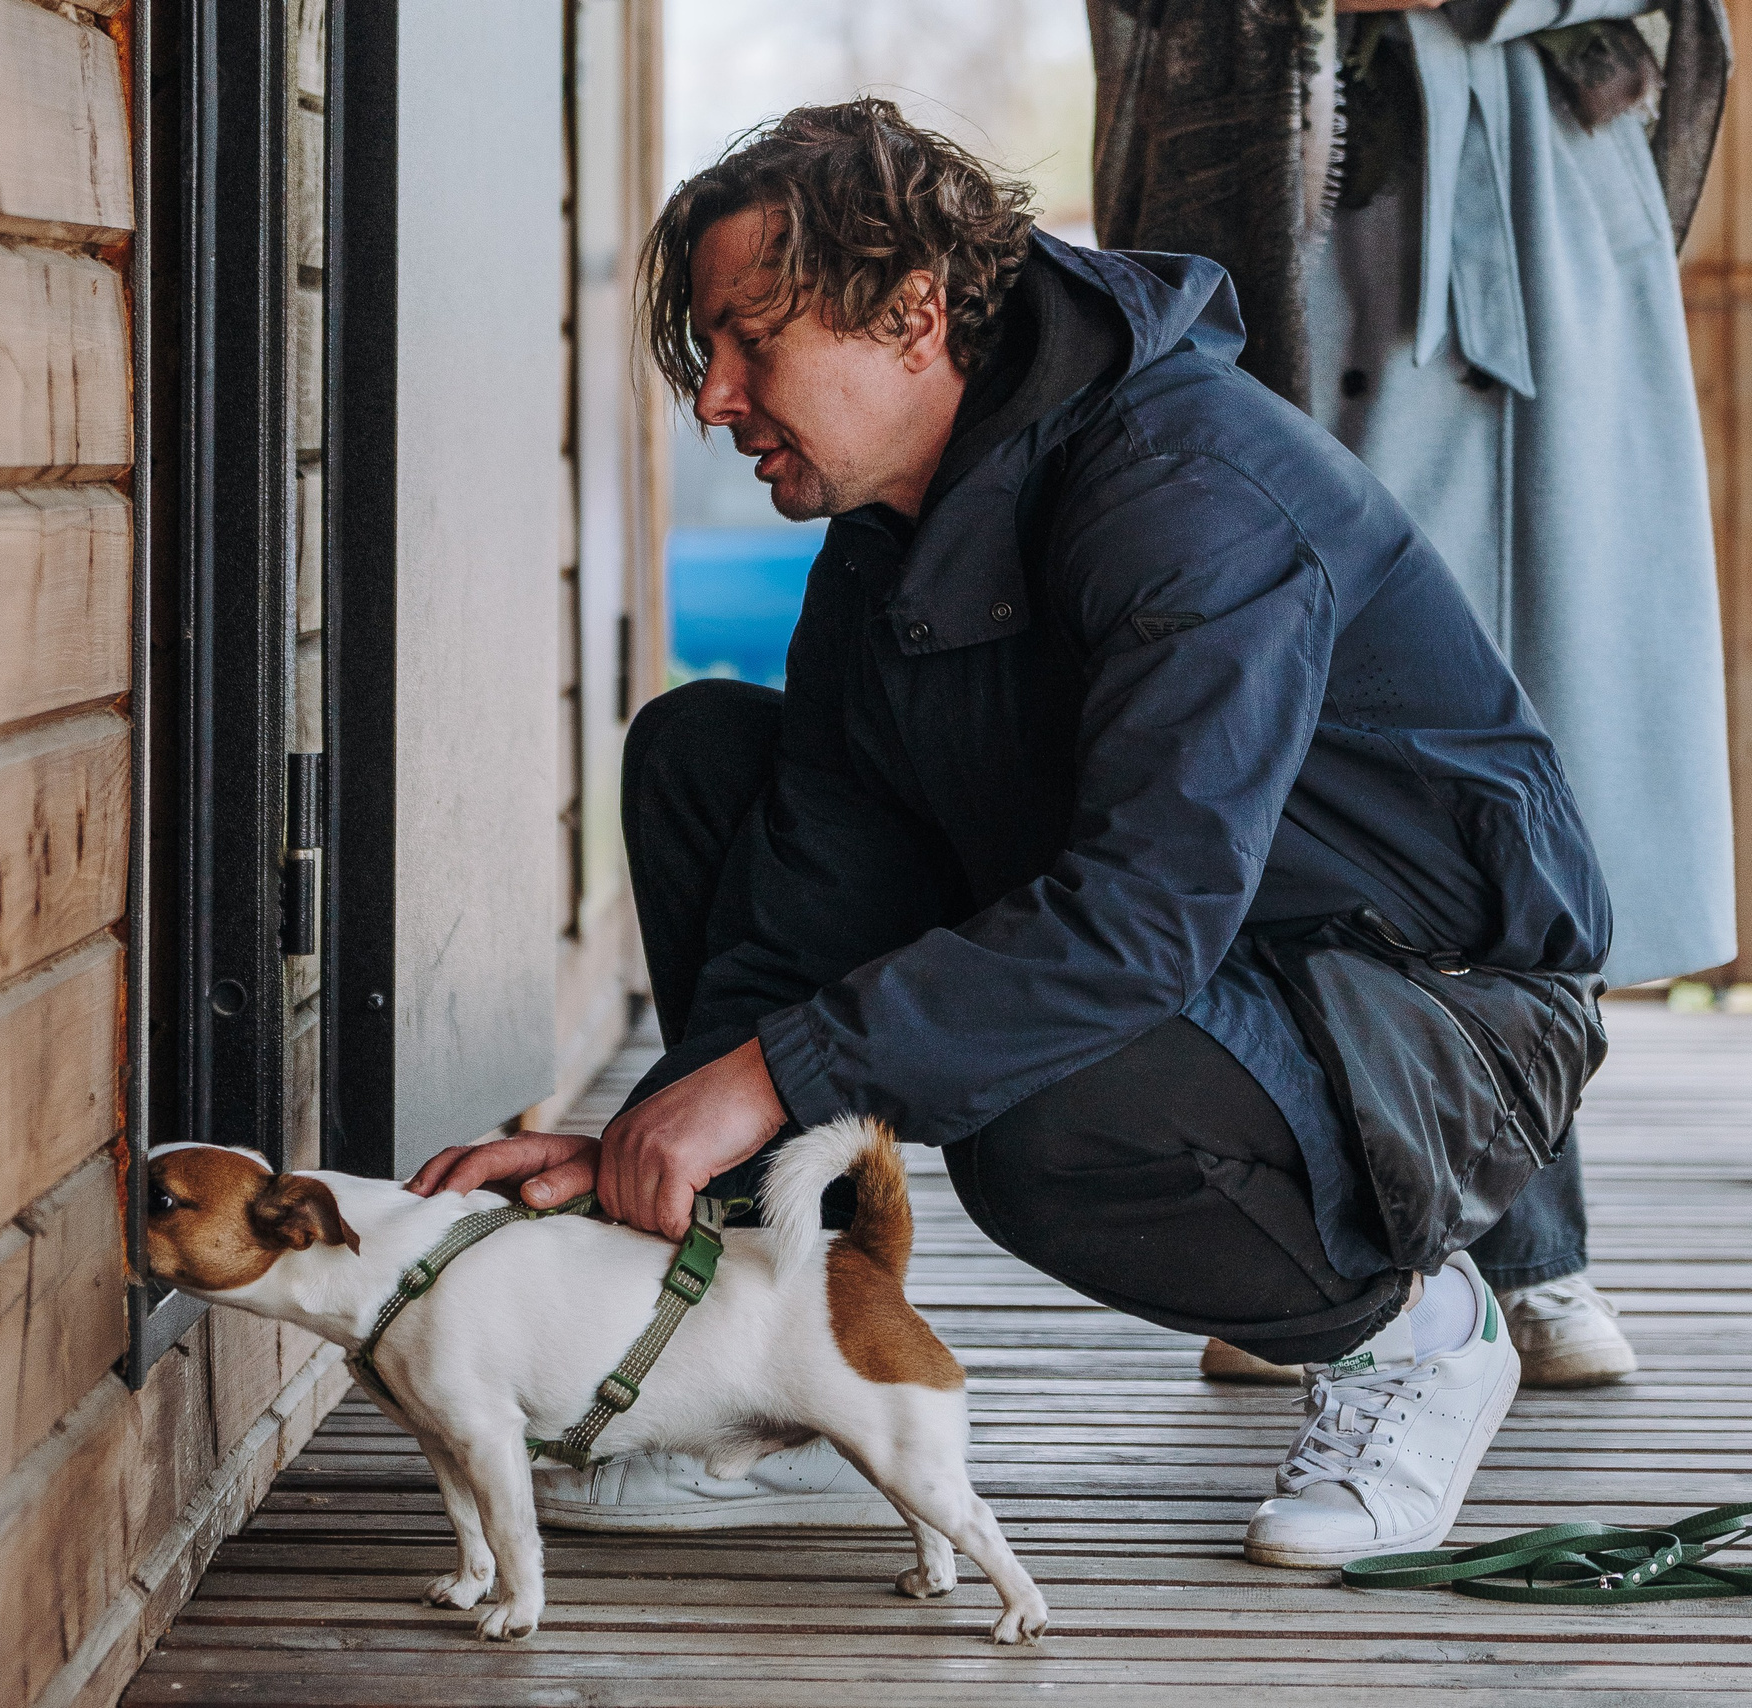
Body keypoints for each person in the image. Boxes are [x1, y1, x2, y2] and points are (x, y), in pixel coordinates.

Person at [409, 100, 1611, 1567]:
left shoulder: (1186, 493)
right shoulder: (886, 533)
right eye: (703, 356)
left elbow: (1142, 917)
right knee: (705, 758)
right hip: (1212, 957)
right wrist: (657, 1143)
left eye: (748, 340)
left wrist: (767, 1075)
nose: (714, 398)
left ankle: (1418, 1331)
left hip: (1431, 1009)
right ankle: (784, 1382)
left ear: (914, 313)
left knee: (1044, 1121)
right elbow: (811, 874)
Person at [1089, 0, 1742, 1389]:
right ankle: (1317, 1242)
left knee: (1546, 719)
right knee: (1295, 713)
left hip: (1547, 209)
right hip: (1305, 178)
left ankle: (1531, 1250)